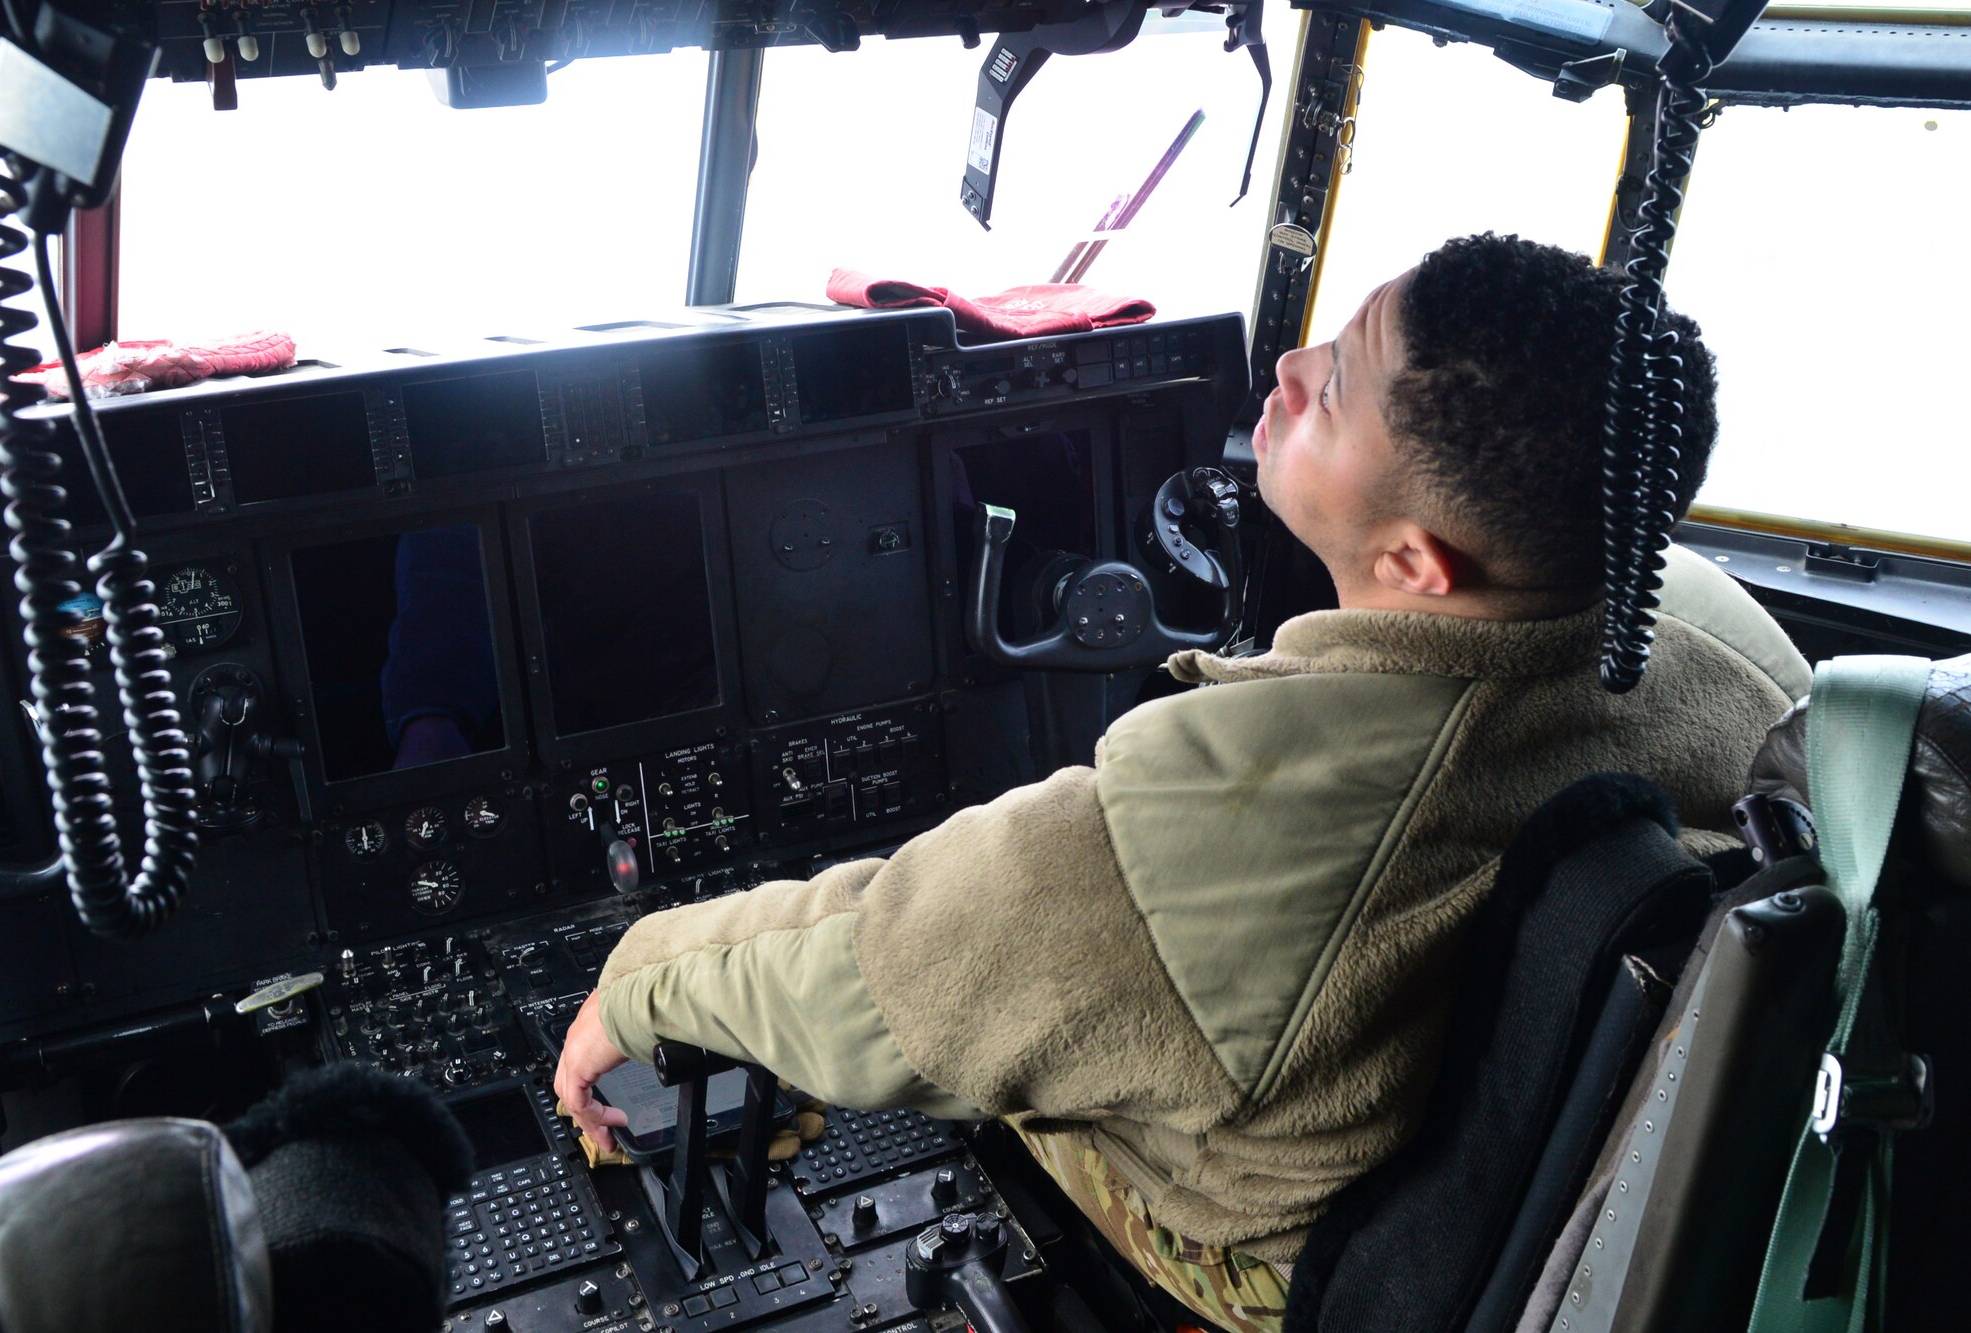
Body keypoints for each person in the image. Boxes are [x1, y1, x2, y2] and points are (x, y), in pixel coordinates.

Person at [553, 234, 1810, 1333]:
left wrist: (637, 980)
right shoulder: (1723, 634)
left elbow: (882, 973)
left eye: (1331, 394)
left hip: (1292, 1249)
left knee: (1001, 1050)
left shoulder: (1217, 825)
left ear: (1415, 562)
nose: (1286, 369)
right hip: (1603, 1185)